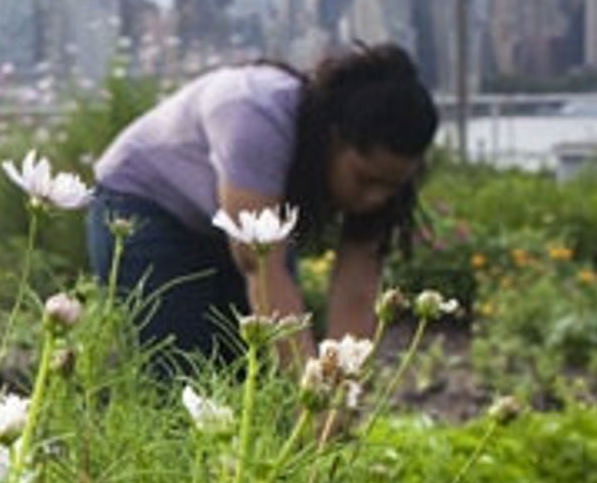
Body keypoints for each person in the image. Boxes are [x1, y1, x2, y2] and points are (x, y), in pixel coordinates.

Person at [86, 43, 439, 367]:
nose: (376, 198)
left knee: (255, 377)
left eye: (391, 187)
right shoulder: (256, 113)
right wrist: (310, 395)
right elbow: (261, 267)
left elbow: (357, 292)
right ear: (334, 138)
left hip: (229, 220)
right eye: (365, 179)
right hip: (144, 206)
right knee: (180, 371)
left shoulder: (376, 183)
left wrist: (339, 393)